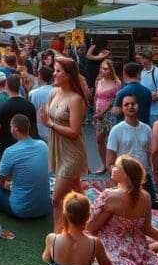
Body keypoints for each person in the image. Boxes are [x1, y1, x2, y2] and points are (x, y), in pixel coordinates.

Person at [86, 155, 158, 265]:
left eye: (116, 167)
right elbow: (147, 228)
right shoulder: (146, 196)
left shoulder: (109, 196)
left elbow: (91, 227)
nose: (112, 167)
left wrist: (93, 211)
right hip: (138, 249)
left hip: (112, 252)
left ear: (125, 176)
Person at [39, 56, 89, 230]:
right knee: (76, 194)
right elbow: (48, 115)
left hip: (72, 153)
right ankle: (87, 225)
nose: (54, 73)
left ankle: (56, 240)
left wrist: (50, 125)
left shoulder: (76, 99)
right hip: (58, 149)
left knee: (57, 198)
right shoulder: (54, 92)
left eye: (58, 71)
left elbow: (75, 132)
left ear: (68, 75)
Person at [43, 191, 114, 265]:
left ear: (65, 214)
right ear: (88, 217)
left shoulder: (52, 239)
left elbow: (46, 259)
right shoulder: (95, 244)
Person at [0, 113, 51, 219]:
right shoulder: (43, 145)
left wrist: (7, 185)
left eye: (11, 126)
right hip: (45, 208)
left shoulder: (10, 152)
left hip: (21, 210)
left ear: (15, 129)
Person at [107, 94, 158, 208]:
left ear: (138, 106)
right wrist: (116, 177)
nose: (130, 107)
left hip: (144, 177)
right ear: (122, 108)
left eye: (133, 104)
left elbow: (150, 153)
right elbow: (110, 161)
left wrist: (154, 172)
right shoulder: (116, 130)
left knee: (150, 208)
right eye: (126, 104)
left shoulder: (146, 129)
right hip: (125, 178)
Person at [0, 74, 38, 156]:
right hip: (25, 149)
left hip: (5, 149)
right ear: (20, 86)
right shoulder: (30, 106)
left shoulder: (2, 107)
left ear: (6, 86)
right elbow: (33, 131)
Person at [93, 59, 120, 174]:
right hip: (99, 115)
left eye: (105, 69)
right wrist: (95, 111)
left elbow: (115, 100)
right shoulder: (98, 81)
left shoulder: (116, 83)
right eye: (102, 68)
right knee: (99, 139)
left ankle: (113, 164)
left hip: (110, 114)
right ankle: (104, 164)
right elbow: (96, 97)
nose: (103, 71)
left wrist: (103, 112)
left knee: (112, 140)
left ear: (111, 70)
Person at [137, 52, 158, 126]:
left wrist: (143, 99)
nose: (139, 61)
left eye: (141, 59)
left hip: (155, 114)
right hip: (143, 112)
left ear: (147, 59)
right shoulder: (142, 72)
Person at [29, 65, 54, 141]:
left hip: (40, 130)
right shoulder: (57, 92)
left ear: (40, 77)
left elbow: (32, 111)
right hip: (53, 129)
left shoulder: (34, 93)